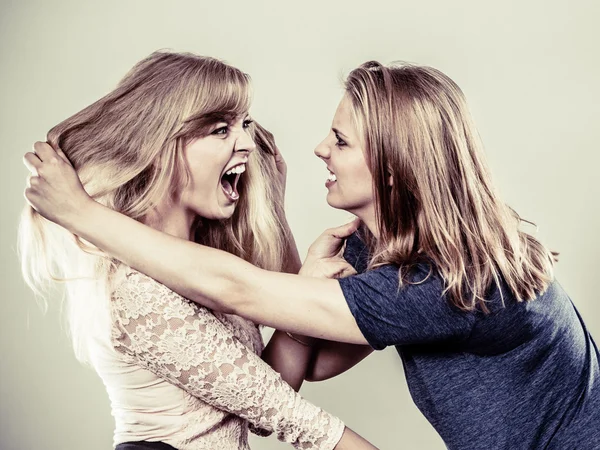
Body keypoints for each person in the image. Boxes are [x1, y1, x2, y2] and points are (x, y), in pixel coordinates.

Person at [24, 60, 600, 449]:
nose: (320, 148)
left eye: (342, 141)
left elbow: (240, 294)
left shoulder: (447, 277)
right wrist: (309, 294)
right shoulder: (380, 247)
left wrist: (82, 214)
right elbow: (309, 365)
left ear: (396, 168)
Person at [18, 50, 376, 450]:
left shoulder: (206, 260)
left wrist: (275, 208)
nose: (247, 143)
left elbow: (265, 390)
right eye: (221, 129)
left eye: (245, 124)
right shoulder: (135, 287)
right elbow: (285, 413)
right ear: (161, 145)